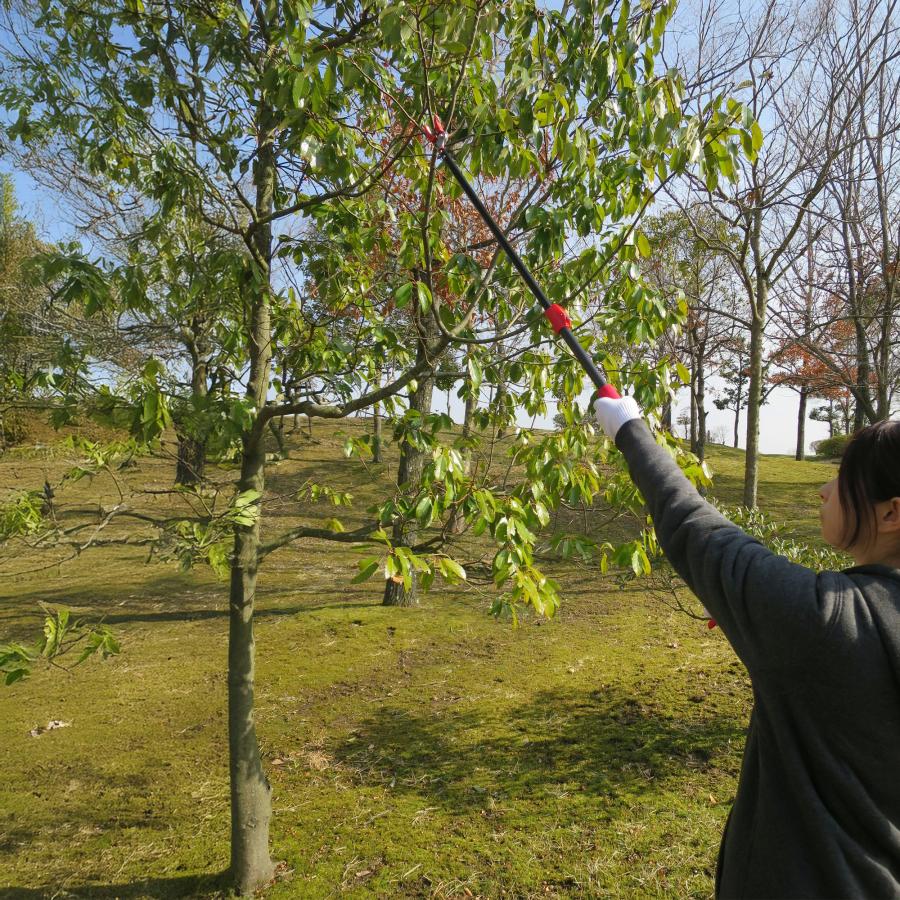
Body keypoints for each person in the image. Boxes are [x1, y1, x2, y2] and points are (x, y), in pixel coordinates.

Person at [592, 394, 900, 900]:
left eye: (844, 481)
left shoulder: (824, 620)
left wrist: (628, 427)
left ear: (891, 514)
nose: (825, 491)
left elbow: (695, 528)